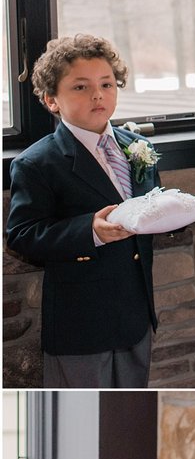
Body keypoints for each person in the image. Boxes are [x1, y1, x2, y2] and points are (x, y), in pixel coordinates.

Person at [5, 34, 158, 387]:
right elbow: (23, 236)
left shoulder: (138, 147)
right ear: (51, 100)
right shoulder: (37, 162)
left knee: (130, 408)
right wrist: (89, 230)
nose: (98, 95)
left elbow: (148, 207)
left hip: (135, 315)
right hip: (80, 322)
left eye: (107, 84)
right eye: (80, 87)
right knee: (81, 410)